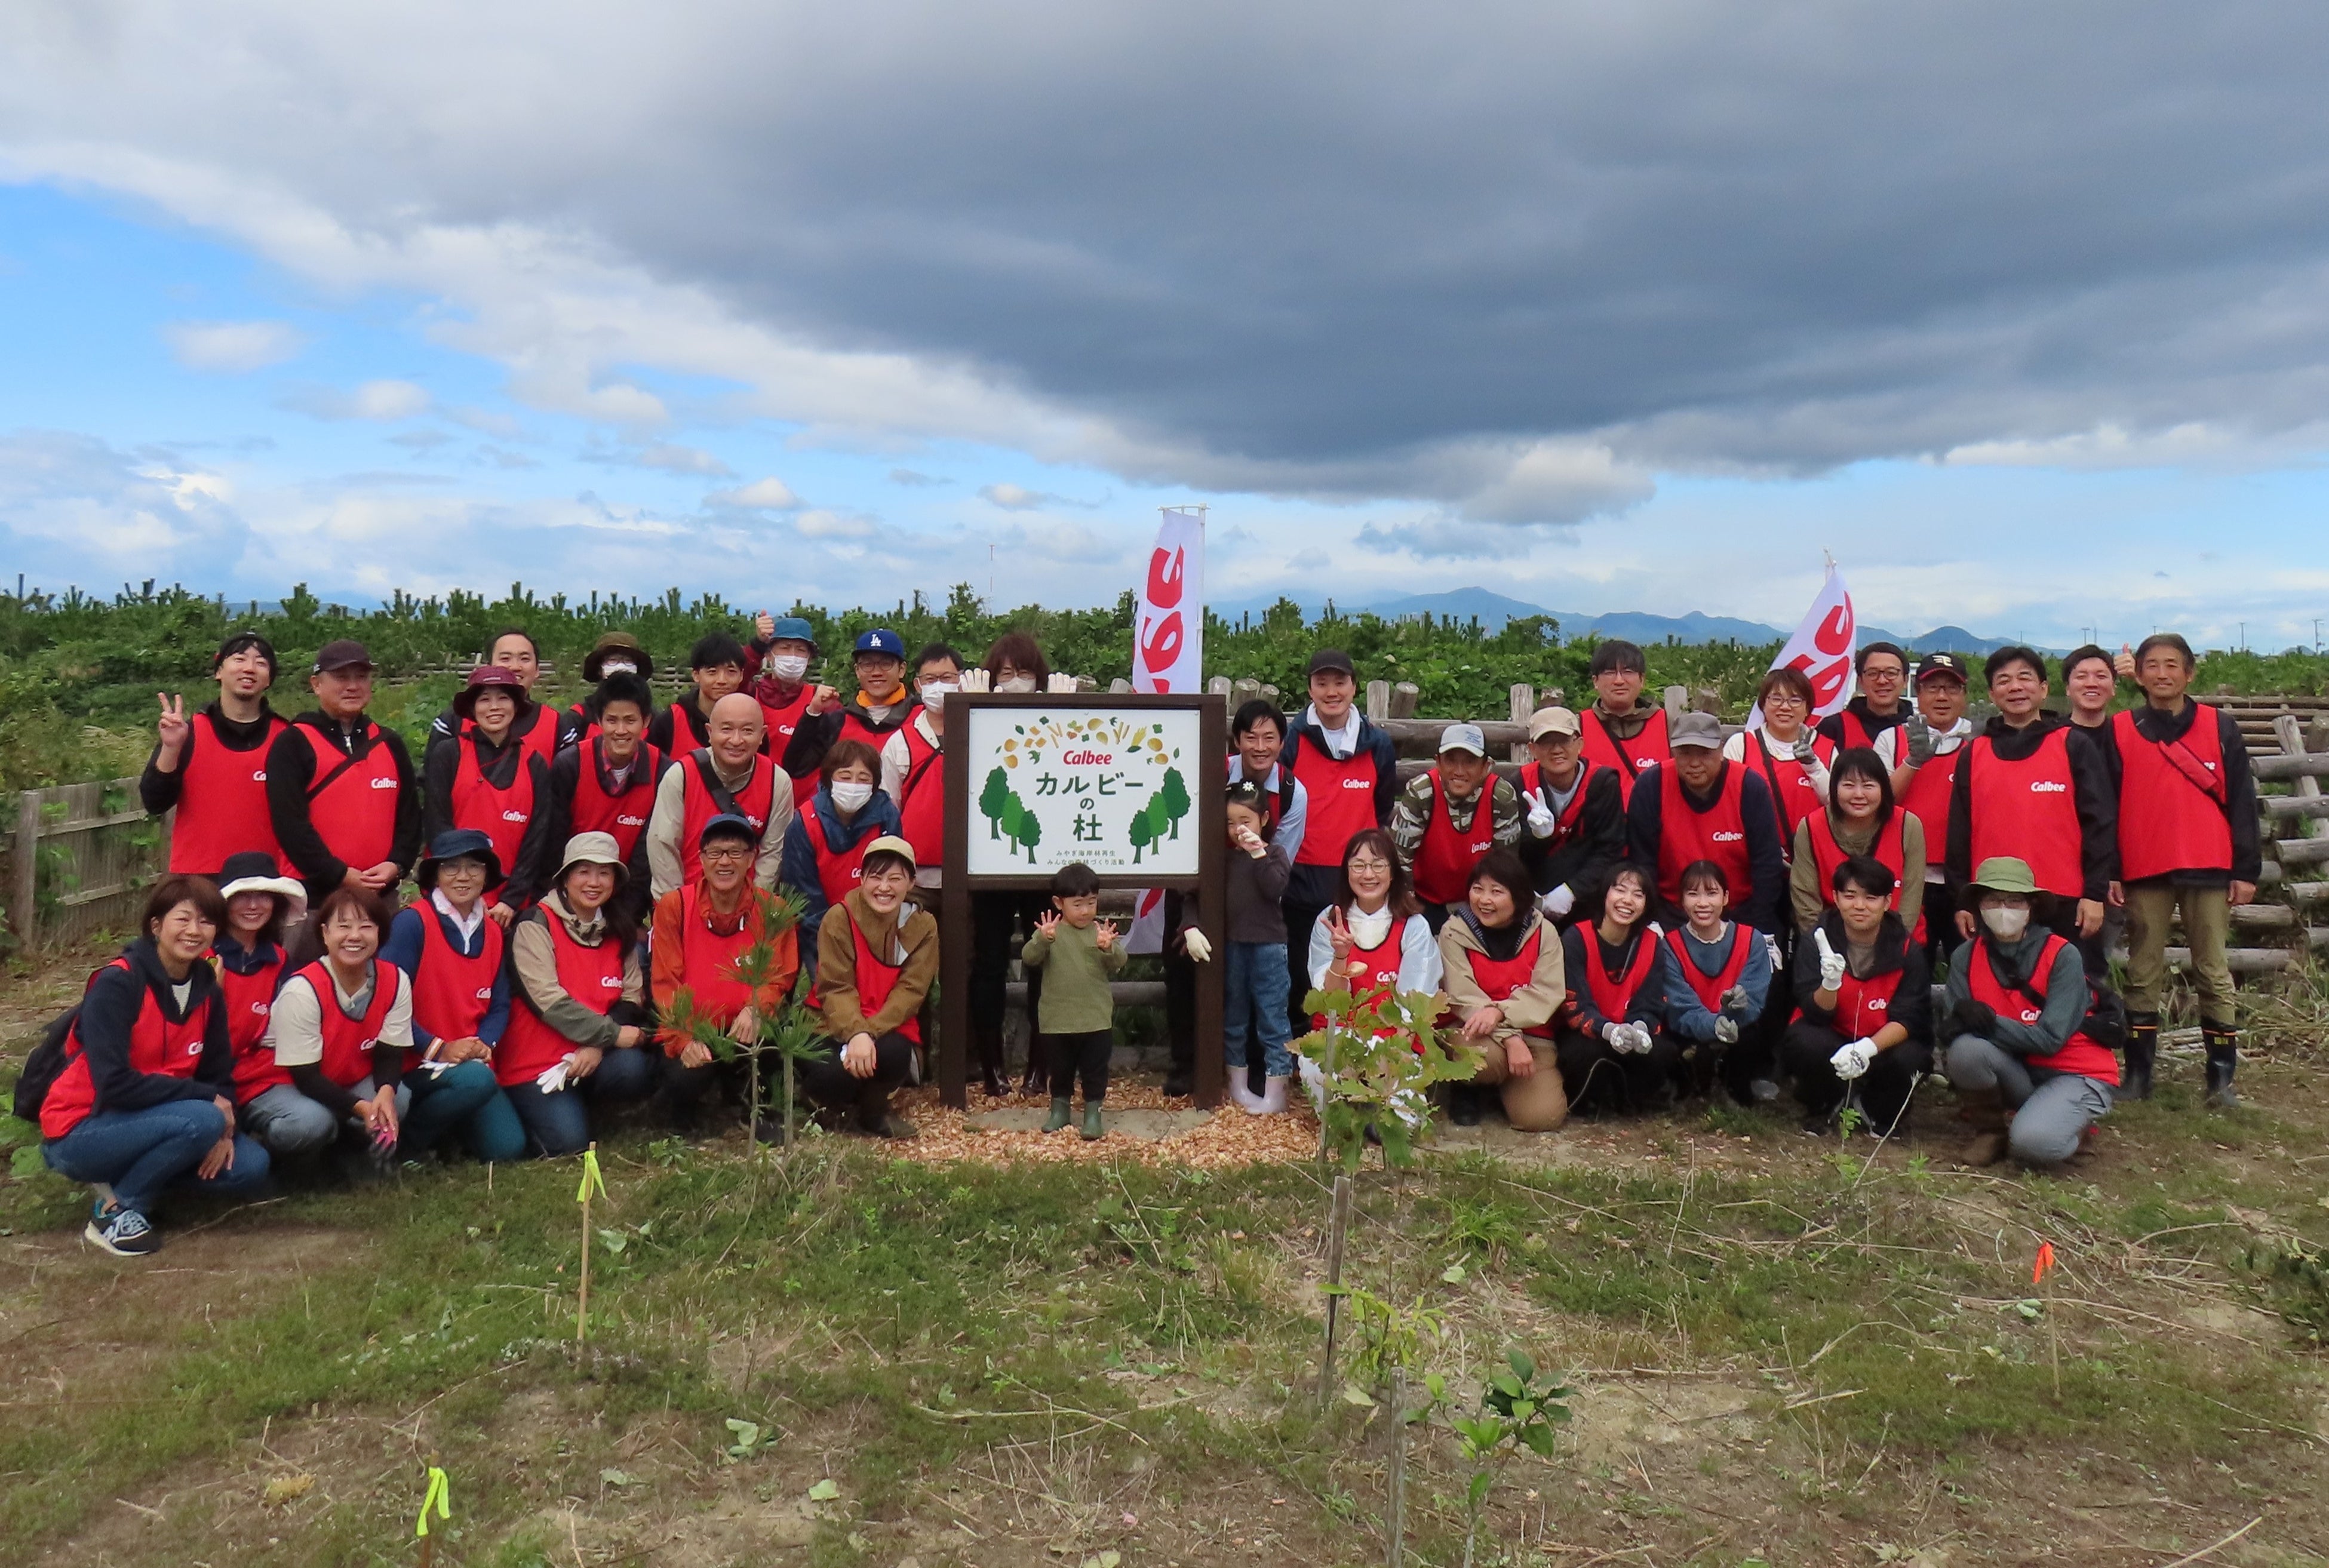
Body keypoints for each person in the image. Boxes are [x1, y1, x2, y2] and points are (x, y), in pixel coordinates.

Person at [37, 877, 270, 1256]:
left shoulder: (206, 989)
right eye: (183, 919)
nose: (194, 931)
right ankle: (118, 1211)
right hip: (82, 1127)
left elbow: (218, 1074)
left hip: (160, 1118)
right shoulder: (118, 983)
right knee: (202, 1119)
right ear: (157, 926)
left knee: (250, 1166)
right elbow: (114, 1084)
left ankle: (137, 1178)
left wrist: (225, 1132)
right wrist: (208, 1104)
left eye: (206, 921)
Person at [2097, 634, 2260, 1103]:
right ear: (2139, 674)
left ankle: (2221, 1079)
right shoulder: (2120, 729)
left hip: (2210, 863)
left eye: (2172, 665)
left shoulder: (2220, 726)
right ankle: (2138, 1075)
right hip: (2143, 864)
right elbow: (2107, 805)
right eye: (2152, 665)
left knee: (2213, 969)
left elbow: (2243, 801)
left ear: (2190, 673)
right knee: (2143, 969)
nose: (2162, 674)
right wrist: (2112, 868)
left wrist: (2245, 870)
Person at [256, 886, 511, 1169]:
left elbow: (390, 1052)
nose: (355, 936)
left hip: (346, 1074)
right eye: (343, 927)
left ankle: (356, 1154)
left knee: (398, 1100)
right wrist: (362, 1108)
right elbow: (306, 1077)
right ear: (325, 934)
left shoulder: (394, 979)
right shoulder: (303, 990)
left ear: (381, 934)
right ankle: (277, 1159)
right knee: (313, 1122)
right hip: (286, 1081)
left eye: (366, 926)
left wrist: (386, 1094)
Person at [1941, 857, 2118, 1168]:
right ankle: (1990, 1132)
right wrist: (1964, 1025)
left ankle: (2074, 1128)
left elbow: (2050, 1040)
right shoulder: (1964, 957)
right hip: (2020, 1069)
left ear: (2031, 907)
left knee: (2033, 1145)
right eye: (1993, 900)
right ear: (1979, 905)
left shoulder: (2063, 955)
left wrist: (1986, 1022)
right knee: (1965, 1050)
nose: (2003, 909)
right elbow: (1953, 1029)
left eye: (2015, 901)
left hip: (2072, 1069)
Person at [1944, 647, 2115, 963]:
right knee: (1997, 984)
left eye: (2025, 678)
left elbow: (2099, 826)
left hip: (2065, 899)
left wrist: (2094, 894)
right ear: (1992, 694)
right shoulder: (1974, 753)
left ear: (2044, 688)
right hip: (1994, 901)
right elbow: (1959, 832)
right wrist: (1962, 900)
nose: (2016, 687)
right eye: (2004, 681)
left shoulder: (2073, 744)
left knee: (2074, 984)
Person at [498, 834, 660, 1156]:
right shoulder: (535, 924)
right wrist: (612, 1035)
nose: (594, 882)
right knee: (569, 1145)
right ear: (565, 878)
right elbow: (550, 1003)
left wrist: (597, 1045)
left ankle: (579, 1104)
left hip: (591, 1050)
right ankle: (522, 1115)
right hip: (539, 1060)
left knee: (634, 1069)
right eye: (583, 871)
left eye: (604, 873)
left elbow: (631, 997)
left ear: (615, 881)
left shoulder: (620, 929)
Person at [377, 831, 527, 1161]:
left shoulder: (493, 931)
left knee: (509, 1147)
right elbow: (384, 1002)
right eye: (451, 867)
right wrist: (440, 1048)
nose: (463, 876)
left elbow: (500, 1003)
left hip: (470, 1061)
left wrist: (484, 1043)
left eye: (474, 867)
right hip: (414, 1061)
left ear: (486, 876)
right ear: (435, 876)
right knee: (477, 1082)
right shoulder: (412, 923)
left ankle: (447, 1130)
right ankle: (409, 1144)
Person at [1279, 650, 1402, 1046]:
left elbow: (1381, 806)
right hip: (1301, 874)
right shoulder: (1292, 740)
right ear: (1310, 689)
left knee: (1357, 961)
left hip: (1356, 877)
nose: (1331, 692)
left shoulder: (1377, 744)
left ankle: (1356, 1041)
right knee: (1300, 966)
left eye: (1340, 682)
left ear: (1354, 686)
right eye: (1322, 683)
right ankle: (1304, 1046)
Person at [653, 814, 802, 1137]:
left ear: (751, 859)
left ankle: (759, 1109)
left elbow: (780, 976)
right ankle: (683, 1110)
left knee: (774, 1045)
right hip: (696, 1026)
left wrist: (757, 1007)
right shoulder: (675, 907)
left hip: (748, 1027)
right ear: (701, 859)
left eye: (735, 852)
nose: (725, 862)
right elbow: (666, 983)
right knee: (683, 1078)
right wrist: (684, 1038)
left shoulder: (773, 910)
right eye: (716, 852)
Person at [1780, 856, 1932, 1136]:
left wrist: (1867, 1049)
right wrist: (1830, 984)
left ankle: (1876, 1110)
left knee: (1912, 1057)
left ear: (1887, 902)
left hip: (1880, 1042)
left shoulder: (1907, 950)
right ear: (1836, 898)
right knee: (1804, 1043)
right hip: (1832, 1034)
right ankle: (1825, 1104)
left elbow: (1909, 1018)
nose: (1859, 906)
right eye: (1850, 896)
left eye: (1871, 898)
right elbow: (1813, 1013)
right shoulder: (1817, 941)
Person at [265, 640, 423, 904]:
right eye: (341, 677)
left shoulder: (389, 743)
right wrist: (339, 874)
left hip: (379, 898)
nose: (353, 686)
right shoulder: (293, 742)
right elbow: (290, 825)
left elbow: (410, 818)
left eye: (361, 677)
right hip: (312, 900)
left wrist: (397, 864)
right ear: (316, 684)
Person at [805, 835, 935, 1139]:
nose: (884, 887)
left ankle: (874, 1112)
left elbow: (912, 991)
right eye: (876, 877)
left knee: (895, 1053)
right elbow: (835, 987)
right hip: (831, 1024)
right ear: (862, 879)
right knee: (833, 1075)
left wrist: (868, 1034)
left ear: (911, 882)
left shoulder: (923, 926)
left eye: (895, 879)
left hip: (885, 1026)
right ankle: (820, 1106)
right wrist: (855, 1033)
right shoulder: (839, 918)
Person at [1302, 828, 1443, 1107]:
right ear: (1346, 872)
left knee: (1402, 1116)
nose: (1368, 875)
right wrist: (1340, 957)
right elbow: (1329, 1000)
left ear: (1393, 874)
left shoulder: (1413, 925)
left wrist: (1393, 1056)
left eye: (1378, 865)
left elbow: (1417, 1002)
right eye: (1358, 866)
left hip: (1394, 1038)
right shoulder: (1329, 921)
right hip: (1342, 1036)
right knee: (1329, 1097)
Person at [1438, 850, 1570, 1131]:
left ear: (1519, 896)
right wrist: (1510, 1038)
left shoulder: (1544, 932)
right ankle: (1469, 1088)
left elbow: (1547, 992)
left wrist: (1499, 1012)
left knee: (1542, 1117)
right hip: (1472, 1033)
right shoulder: (1454, 932)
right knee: (1484, 1059)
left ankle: (1504, 1090)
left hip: (1533, 1037)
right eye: (1478, 889)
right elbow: (1461, 995)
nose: (1484, 900)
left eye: (1496, 892)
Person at [142, 631, 291, 878]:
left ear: (269, 679)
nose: (249, 668)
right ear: (219, 672)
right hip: (199, 881)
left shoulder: (288, 738)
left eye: (261, 663)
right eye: (239, 659)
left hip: (267, 882)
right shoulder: (188, 732)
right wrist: (171, 748)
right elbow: (154, 803)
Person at [1184, 780, 1293, 1114]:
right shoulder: (1221, 859)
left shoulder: (1275, 854)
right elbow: (1192, 895)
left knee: (1273, 1018)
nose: (1237, 829)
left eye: (1245, 821)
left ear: (1264, 819)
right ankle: (1238, 1086)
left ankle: (1277, 1091)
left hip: (1269, 948)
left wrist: (1258, 853)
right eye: (1230, 822)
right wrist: (1190, 926)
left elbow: (1275, 887)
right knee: (1234, 1017)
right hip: (1232, 946)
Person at [210, 852, 327, 1157]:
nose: (253, 905)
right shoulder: (203, 955)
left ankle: (261, 1148)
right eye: (242, 896)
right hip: (204, 1082)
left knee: (316, 1121)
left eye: (263, 895)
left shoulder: (280, 960)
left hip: (259, 1078)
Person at [1628, 711, 1786, 933]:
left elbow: (1767, 864)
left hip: (1739, 913)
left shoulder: (1750, 787)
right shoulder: (1651, 785)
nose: (1694, 763)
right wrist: (1652, 921)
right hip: (1671, 914)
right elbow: (1642, 862)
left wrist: (1756, 931)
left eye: (1704, 753)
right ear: (1673, 751)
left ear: (1721, 751)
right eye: (1685, 753)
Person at [422, 666, 554, 917]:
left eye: (503, 698)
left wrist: (511, 901)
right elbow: (437, 825)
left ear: (516, 706)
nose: (494, 707)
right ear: (472, 709)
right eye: (484, 700)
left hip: (510, 907)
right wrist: (468, 894)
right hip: (452, 898)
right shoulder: (448, 754)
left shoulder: (535, 764)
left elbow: (537, 840)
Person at [540, 672, 668, 926]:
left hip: (626, 902)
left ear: (646, 721)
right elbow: (553, 845)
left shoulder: (663, 771)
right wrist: (565, 908)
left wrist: (624, 918)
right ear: (599, 720)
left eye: (630, 721)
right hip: (568, 898)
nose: (621, 731)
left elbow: (647, 857)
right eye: (612, 720)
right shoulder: (570, 765)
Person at [646, 693, 795, 897]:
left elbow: (773, 854)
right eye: (726, 729)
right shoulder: (681, 776)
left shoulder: (777, 782)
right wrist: (678, 906)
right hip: (687, 899)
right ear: (710, 731)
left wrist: (756, 905)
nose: (736, 740)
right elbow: (663, 847)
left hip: (748, 903)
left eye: (747, 731)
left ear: (762, 735)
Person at [1555, 865, 1674, 1114]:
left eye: (1638, 894)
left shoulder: (1653, 943)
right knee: (1583, 1054)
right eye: (1620, 890)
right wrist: (1608, 1030)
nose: (1627, 900)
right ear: (1604, 894)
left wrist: (1639, 1028)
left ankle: (1630, 1099)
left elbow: (1652, 1002)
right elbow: (1573, 1003)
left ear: (1646, 904)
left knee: (1661, 1052)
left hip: (1630, 1030)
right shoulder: (1576, 937)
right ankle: (1593, 1101)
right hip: (1588, 1033)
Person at [1023, 862, 1126, 1140]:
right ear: (1059, 903)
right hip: (1057, 1020)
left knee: (1095, 1071)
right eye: (1078, 904)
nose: (1085, 911)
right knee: (1060, 1070)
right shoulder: (1051, 933)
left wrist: (1108, 948)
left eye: (1091, 903)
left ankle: (1093, 1114)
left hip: (1095, 1019)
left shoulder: (1099, 932)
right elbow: (1029, 957)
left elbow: (1120, 962)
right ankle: (1060, 1110)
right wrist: (1042, 940)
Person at [1884, 653, 1974, 966]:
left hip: (1963, 881)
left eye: (1951, 688)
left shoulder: (1980, 743)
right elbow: (1877, 803)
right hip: (1907, 877)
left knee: (1968, 966)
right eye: (1933, 688)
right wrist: (1913, 761)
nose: (1942, 697)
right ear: (1918, 693)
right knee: (1909, 967)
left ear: (1964, 695)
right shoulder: (1892, 739)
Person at [1391, 722, 1523, 930]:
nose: (1459, 771)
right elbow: (1400, 858)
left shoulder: (1501, 796)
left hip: (1482, 902)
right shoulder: (1422, 792)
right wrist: (1410, 916)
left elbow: (1505, 867)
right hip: (1423, 900)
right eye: (1451, 760)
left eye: (1470, 762)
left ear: (1486, 766)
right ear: (1438, 762)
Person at [1660, 860, 1772, 1097]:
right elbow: (1679, 1008)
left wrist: (1737, 1008)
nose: (1703, 903)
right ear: (1681, 900)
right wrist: (1714, 1025)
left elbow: (1754, 1000)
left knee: (1753, 1037)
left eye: (1712, 893)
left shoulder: (1751, 940)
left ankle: (1740, 1087)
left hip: (1739, 1030)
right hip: (1690, 1033)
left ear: (1726, 897)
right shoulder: (1669, 946)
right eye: (1693, 894)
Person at [1792, 747, 1927, 943]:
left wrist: (1892, 947)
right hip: (1830, 942)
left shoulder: (1909, 825)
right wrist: (1823, 947)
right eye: (1848, 785)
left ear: (1883, 788)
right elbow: (1806, 901)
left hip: (1898, 941)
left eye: (1868, 785)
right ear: (1834, 788)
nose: (1859, 794)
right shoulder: (1811, 827)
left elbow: (1911, 897)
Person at [781, 739, 902, 952]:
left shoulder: (888, 818)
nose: (854, 785)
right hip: (817, 936)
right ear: (829, 779)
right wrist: (834, 940)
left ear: (875, 785)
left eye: (864, 779)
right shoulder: (804, 823)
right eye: (845, 777)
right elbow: (803, 896)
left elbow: (891, 882)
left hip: (875, 933)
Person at [1516, 706, 1626, 927]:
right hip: (1532, 902)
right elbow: (1515, 854)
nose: (1557, 749)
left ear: (1580, 744)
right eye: (1547, 742)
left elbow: (1610, 850)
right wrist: (1539, 838)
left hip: (1589, 901)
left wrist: (1572, 891)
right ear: (1533, 749)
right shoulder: (1520, 784)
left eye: (1565, 741)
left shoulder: (1603, 783)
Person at [1723, 666, 1830, 857]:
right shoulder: (1741, 745)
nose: (1785, 707)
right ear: (1763, 704)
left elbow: (1837, 802)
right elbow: (1726, 804)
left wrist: (1814, 766)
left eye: (1795, 700)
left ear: (1808, 708)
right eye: (1776, 699)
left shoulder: (1827, 748)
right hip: (1755, 857)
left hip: (1813, 858)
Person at [428, 627, 569, 765]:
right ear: (489, 667)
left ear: (537, 669)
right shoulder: (453, 721)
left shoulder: (557, 725)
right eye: (505, 658)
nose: (515, 667)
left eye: (525, 659)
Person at [881, 642, 959, 887]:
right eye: (930, 679)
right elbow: (889, 807)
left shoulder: (979, 734)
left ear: (961, 680)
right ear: (918, 685)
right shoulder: (899, 742)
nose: (938, 686)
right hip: (915, 874)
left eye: (947, 678)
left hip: (968, 872)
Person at [788, 628, 917, 776]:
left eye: (886, 664)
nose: (876, 672)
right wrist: (813, 713)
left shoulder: (923, 717)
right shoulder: (838, 722)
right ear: (857, 671)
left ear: (902, 669)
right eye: (867, 664)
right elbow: (796, 767)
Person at [748, 613, 841, 777]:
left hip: (807, 793)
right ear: (768, 655)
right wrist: (756, 646)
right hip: (758, 789)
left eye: (800, 650)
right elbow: (734, 675)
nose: (792, 656)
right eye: (785, 648)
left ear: (809, 659)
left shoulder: (825, 703)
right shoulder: (750, 695)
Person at [1576, 640, 1669, 803]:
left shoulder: (1667, 724)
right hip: (1598, 818)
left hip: (1653, 818)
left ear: (1642, 680)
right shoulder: (1578, 726)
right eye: (1610, 673)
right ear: (1595, 681)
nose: (1619, 681)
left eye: (1628, 672)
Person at [649, 632, 754, 757]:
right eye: (712, 672)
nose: (722, 680)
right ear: (696, 675)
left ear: (741, 675)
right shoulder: (669, 722)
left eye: (731, 672)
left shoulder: (751, 721)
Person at [1226, 699, 1308, 856]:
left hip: (1263, 867)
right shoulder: (1216, 775)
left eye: (1269, 738)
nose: (1260, 748)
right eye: (1251, 738)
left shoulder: (1293, 793)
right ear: (1237, 741)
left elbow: (1280, 859)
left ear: (1282, 743)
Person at [1817, 642, 1912, 754]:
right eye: (1872, 673)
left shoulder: (1919, 729)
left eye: (1891, 673)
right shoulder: (1833, 728)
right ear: (1860, 681)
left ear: (1906, 680)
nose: (1882, 681)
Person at [566, 632, 655, 740]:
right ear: (600, 669)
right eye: (613, 660)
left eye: (628, 661)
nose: (621, 666)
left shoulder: (653, 719)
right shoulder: (580, 716)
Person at [2061, 644, 2119, 731]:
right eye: (2081, 677)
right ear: (2068, 688)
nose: (2091, 684)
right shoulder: (2050, 736)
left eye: (2101, 676)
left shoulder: (2126, 733)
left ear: (2113, 687)